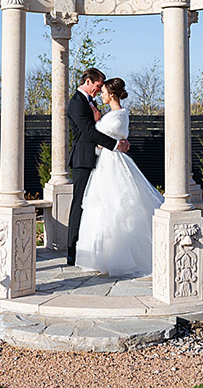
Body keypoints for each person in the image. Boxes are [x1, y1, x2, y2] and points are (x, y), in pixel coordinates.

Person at [75, 77, 164, 277]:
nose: (102, 94)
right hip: (106, 162)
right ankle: (105, 256)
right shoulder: (113, 115)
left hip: (112, 163)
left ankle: (118, 257)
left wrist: (97, 123)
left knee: (116, 206)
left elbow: (98, 139)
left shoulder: (117, 116)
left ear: (112, 94)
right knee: (103, 207)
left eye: (104, 91)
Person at [66, 69, 130, 266]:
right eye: (98, 85)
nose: (99, 89)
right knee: (79, 205)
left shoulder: (89, 102)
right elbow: (89, 132)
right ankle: (72, 251)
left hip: (99, 160)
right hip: (83, 160)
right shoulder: (77, 102)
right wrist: (116, 144)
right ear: (88, 81)